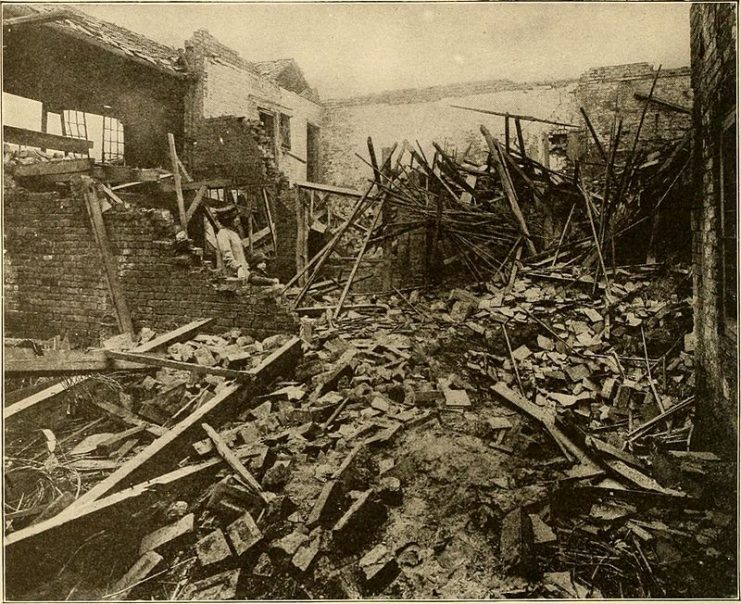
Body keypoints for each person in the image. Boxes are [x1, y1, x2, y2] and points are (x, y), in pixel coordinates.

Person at [214, 207, 249, 279]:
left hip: (240, 272)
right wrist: (237, 267)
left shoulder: (233, 233)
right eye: (236, 218)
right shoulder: (223, 233)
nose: (238, 220)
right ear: (229, 220)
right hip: (231, 274)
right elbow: (227, 256)